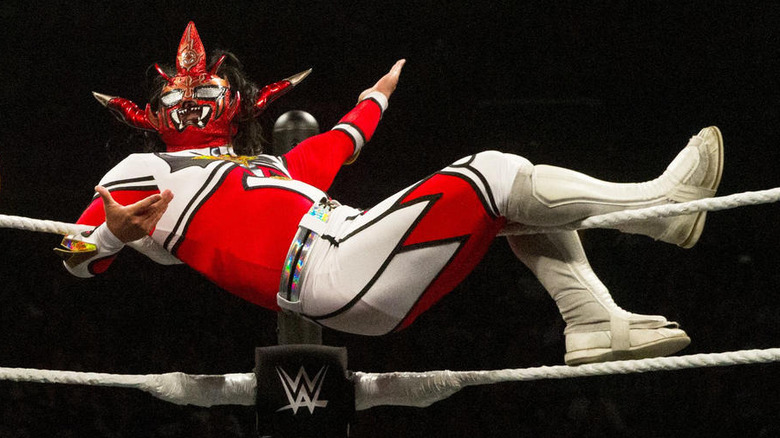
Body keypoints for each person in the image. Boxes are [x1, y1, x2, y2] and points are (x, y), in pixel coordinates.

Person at [58, 22, 723, 365]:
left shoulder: (266, 169)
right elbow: (74, 253)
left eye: (204, 92)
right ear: (149, 112)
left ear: (235, 103)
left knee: (506, 200)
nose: (189, 100)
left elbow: (341, 141)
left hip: (352, 243)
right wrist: (114, 233)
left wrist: (375, 98)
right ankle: (658, 208)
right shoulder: (146, 173)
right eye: (175, 96)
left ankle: (591, 320)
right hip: (326, 270)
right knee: (487, 172)